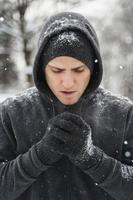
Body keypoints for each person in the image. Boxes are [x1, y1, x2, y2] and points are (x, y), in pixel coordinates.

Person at [0, 11, 133, 200]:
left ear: (93, 69)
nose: (68, 82)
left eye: (79, 70)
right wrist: (38, 157)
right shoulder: (12, 113)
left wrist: (91, 158)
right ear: (41, 69)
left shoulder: (123, 113)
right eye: (57, 70)